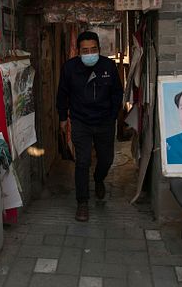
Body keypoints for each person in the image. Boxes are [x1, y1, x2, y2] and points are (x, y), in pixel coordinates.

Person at [56, 31, 123, 222]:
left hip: (105, 121)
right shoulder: (69, 68)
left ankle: (99, 178)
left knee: (106, 159)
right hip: (81, 121)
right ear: (78, 51)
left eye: (93, 49)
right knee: (82, 161)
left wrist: (113, 115)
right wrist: (63, 117)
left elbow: (117, 92)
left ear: (99, 49)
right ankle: (82, 202)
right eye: (85, 50)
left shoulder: (108, 66)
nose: (89, 53)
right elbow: (62, 94)